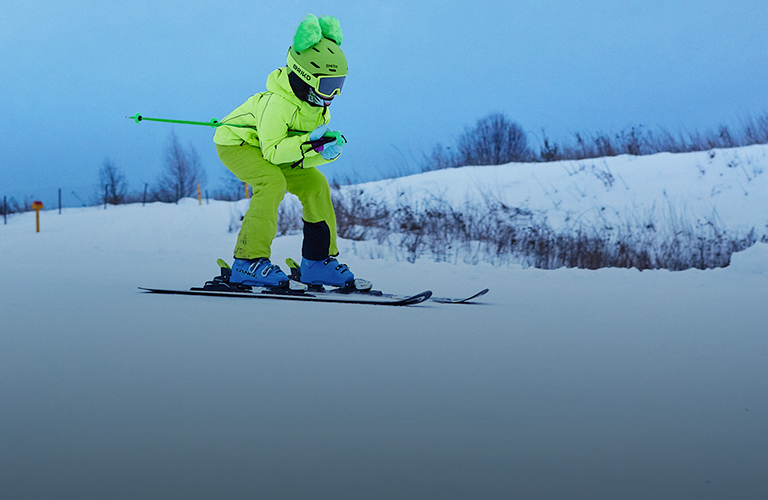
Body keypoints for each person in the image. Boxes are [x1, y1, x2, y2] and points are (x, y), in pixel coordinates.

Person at [213, 14, 355, 288]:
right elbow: (274, 154)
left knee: (316, 184)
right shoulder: (277, 103)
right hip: (238, 144)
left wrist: (324, 151)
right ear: (306, 76)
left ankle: (317, 262)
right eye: (328, 84)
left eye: (339, 84)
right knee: (271, 181)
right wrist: (308, 145)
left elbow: (300, 154)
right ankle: (247, 261)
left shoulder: (318, 109)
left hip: (277, 149)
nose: (334, 93)